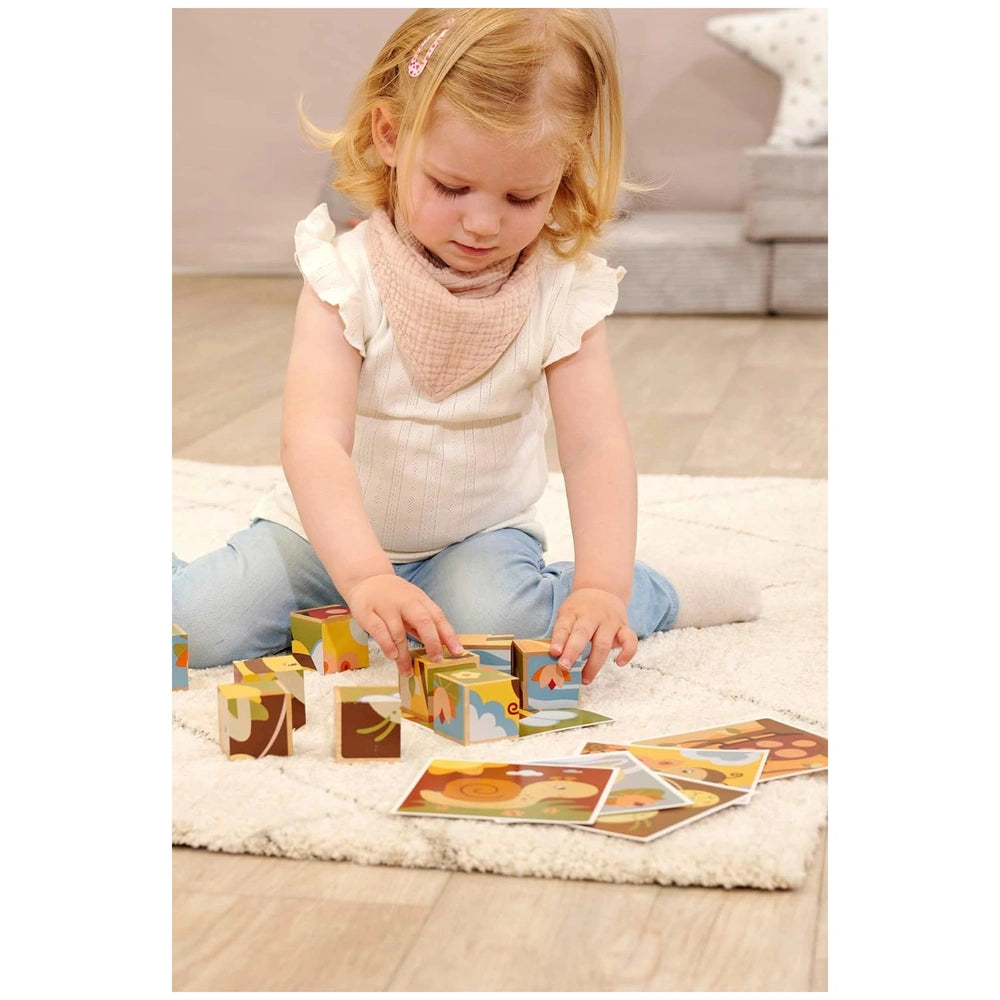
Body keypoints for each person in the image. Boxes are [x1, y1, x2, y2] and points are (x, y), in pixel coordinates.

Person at [172, 7, 760, 684]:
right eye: (451, 187)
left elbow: (596, 445)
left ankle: (652, 592)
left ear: (564, 176)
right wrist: (363, 576)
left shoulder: (563, 292)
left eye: (522, 196)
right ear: (390, 136)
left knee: (507, 630)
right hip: (313, 538)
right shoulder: (347, 272)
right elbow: (312, 442)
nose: (482, 223)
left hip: (472, 544)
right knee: (194, 626)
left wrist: (602, 586)